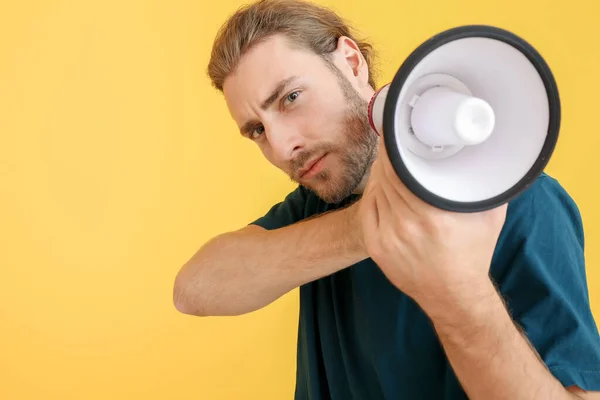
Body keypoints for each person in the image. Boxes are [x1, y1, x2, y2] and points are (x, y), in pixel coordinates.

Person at [172, 0, 600, 398]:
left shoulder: (519, 203)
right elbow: (194, 290)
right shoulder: (316, 206)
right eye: (257, 131)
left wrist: (463, 303)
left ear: (352, 63)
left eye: (291, 98)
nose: (283, 147)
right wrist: (374, 227)